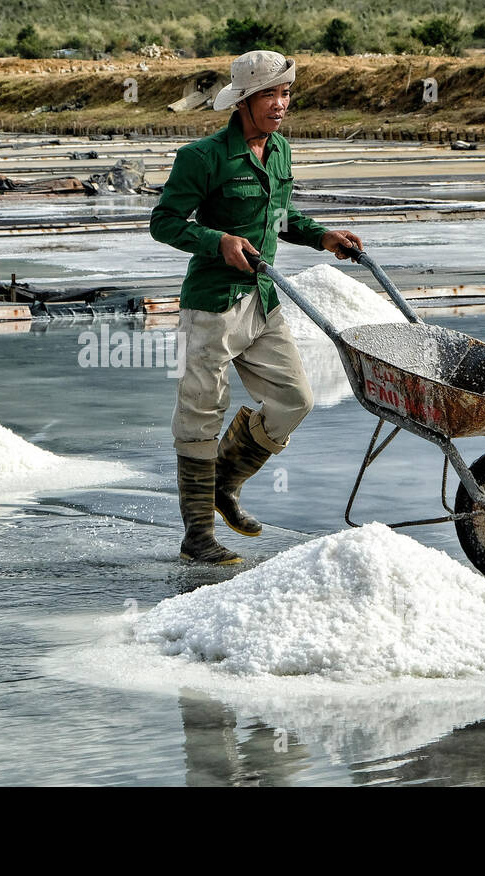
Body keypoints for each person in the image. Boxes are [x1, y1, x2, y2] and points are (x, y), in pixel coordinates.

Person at [149, 50, 364, 565]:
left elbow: (281, 217)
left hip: (263, 299)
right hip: (213, 307)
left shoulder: (281, 151)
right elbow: (165, 221)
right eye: (270, 94)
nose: (281, 104)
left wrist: (322, 237)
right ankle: (197, 536)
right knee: (202, 412)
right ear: (244, 100)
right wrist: (217, 240)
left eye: (286, 94)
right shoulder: (202, 157)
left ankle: (223, 483)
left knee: (295, 399)